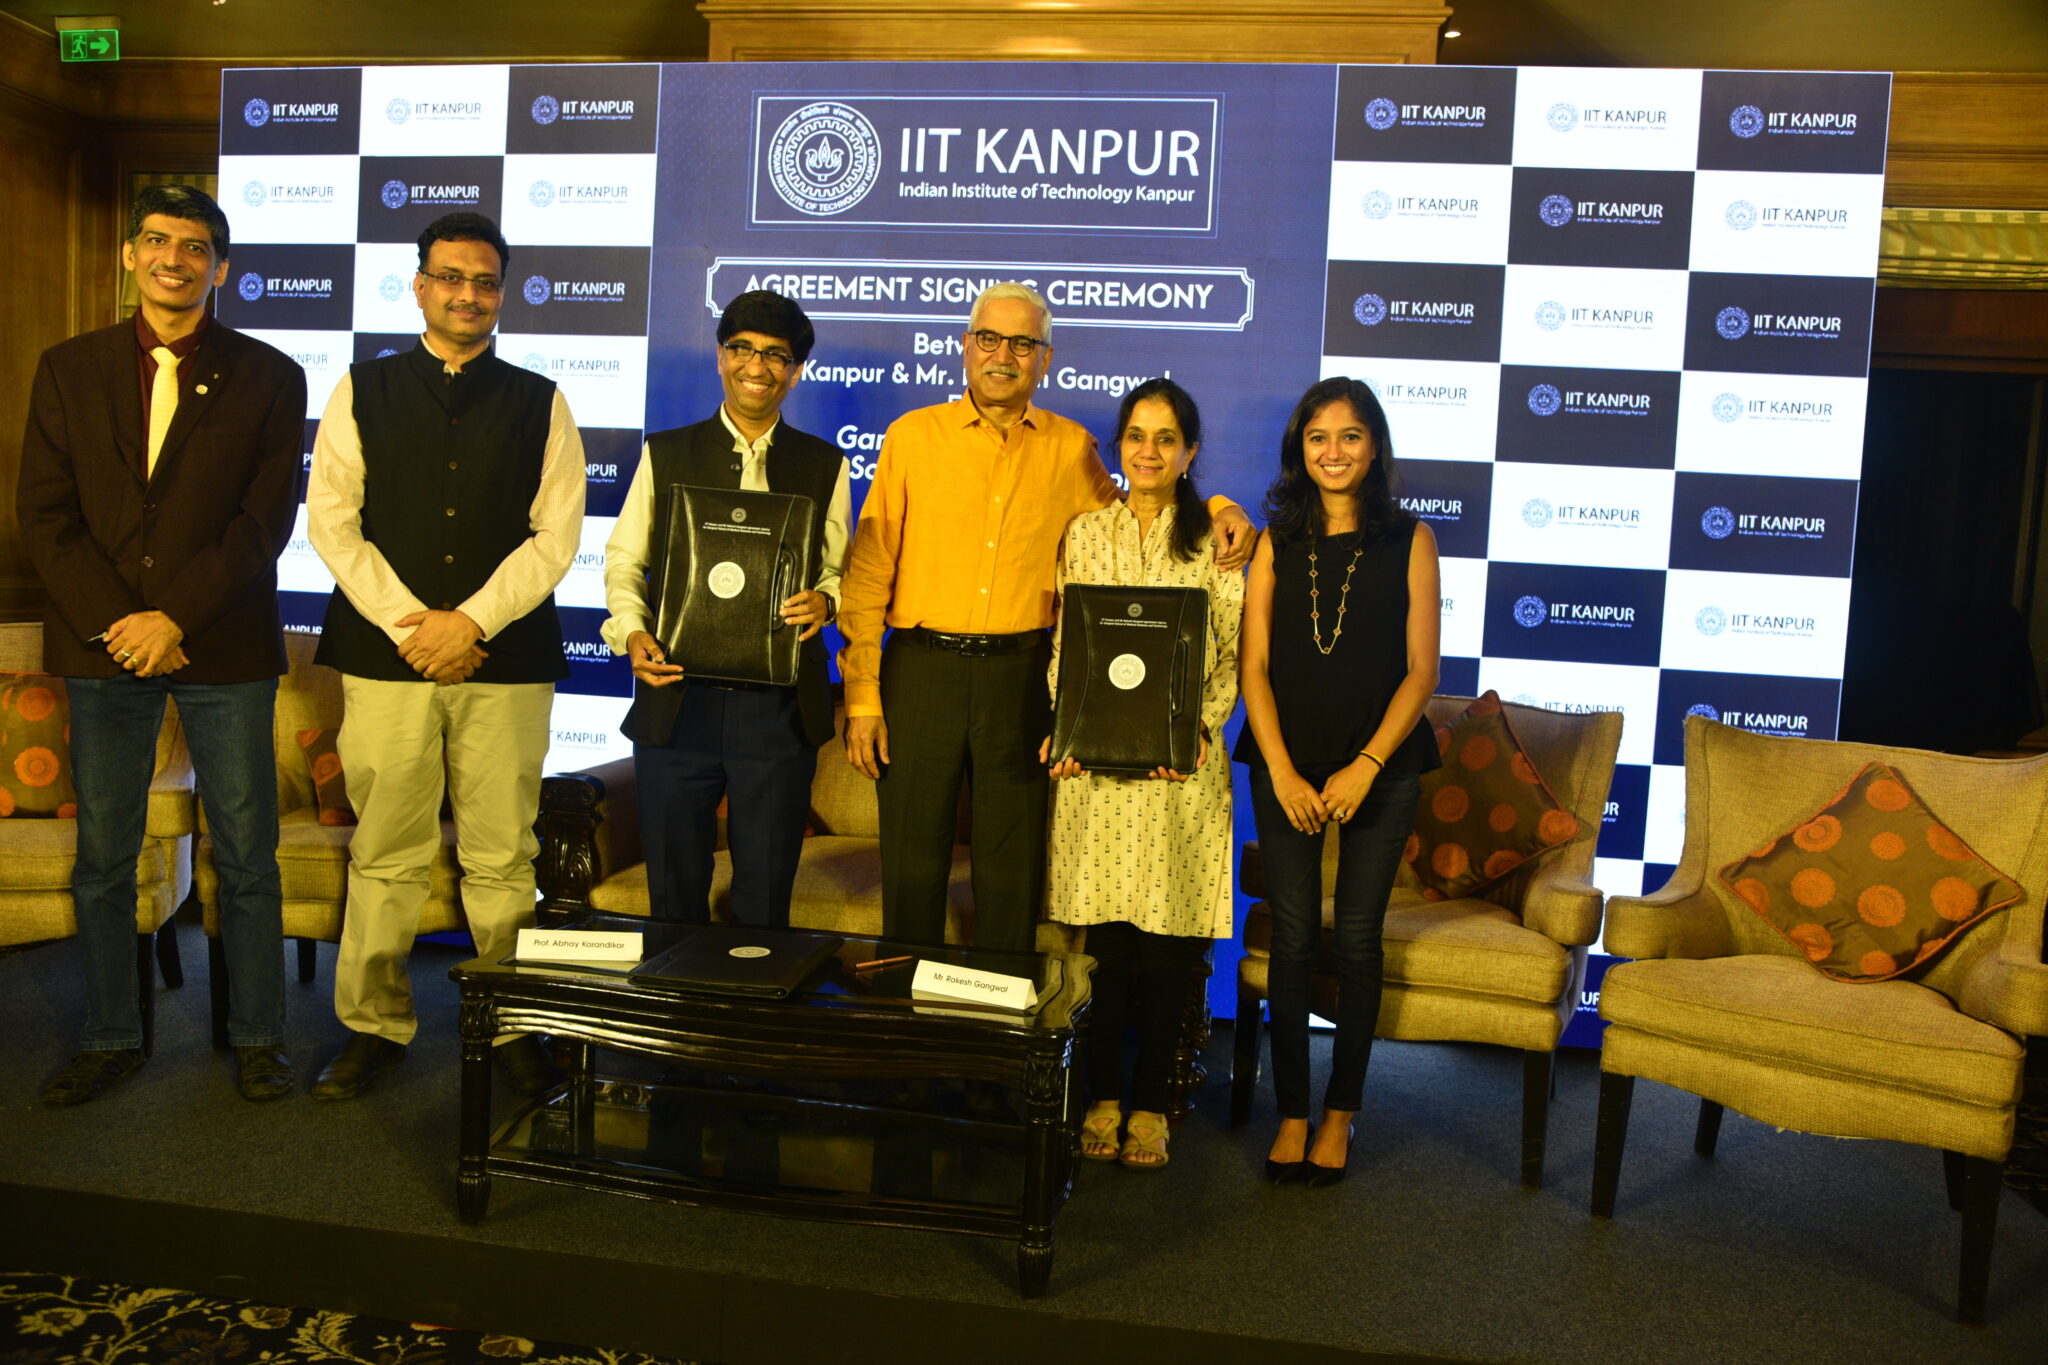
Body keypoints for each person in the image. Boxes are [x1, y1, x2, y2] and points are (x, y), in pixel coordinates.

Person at [837, 282, 1253, 953]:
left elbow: (1142, 503)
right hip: (920, 673)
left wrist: (1223, 506)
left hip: (1022, 679)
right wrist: (862, 694)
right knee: (912, 871)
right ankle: (905, 1017)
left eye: (1022, 343)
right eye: (990, 339)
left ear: (1045, 359)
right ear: (965, 347)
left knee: (1011, 878)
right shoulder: (912, 437)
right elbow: (866, 574)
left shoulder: (1071, 447)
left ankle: (1001, 1018)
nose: (1004, 355)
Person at [18, 185, 307, 1105]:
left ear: (220, 269)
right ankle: (111, 1036)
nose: (172, 258)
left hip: (221, 644)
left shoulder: (270, 374)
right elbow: (45, 516)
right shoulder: (68, 368)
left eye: (193, 246)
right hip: (103, 645)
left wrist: (173, 617)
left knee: (248, 854)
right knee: (104, 856)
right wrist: (125, 623)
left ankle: (258, 1036)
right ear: (130, 254)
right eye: (155, 240)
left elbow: (263, 523)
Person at [305, 211, 585, 1099]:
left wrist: (469, 622)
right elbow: (332, 525)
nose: (469, 294)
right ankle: (372, 1025)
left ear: (502, 293)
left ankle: (514, 1024)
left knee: (504, 855)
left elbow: (557, 538)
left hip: (507, 659)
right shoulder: (362, 388)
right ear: (420, 285)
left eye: (485, 281)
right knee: (385, 850)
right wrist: (413, 627)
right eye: (452, 278)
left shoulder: (543, 400)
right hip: (385, 657)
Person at [1235, 376, 1440, 1187]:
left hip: (1381, 767)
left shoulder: (1412, 538)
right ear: (1300, 449)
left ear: (1374, 445)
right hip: (1284, 763)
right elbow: (1253, 666)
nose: (1334, 451)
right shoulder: (1273, 542)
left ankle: (1340, 1113)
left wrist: (1367, 765)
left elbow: (1423, 671)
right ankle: (1291, 1112)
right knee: (1291, 938)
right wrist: (1282, 770)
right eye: (1318, 437)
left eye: (1350, 435)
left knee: (1355, 939)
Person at [1040, 378, 1243, 1170]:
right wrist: (1070, 729)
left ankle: (1152, 1103)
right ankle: (1101, 1097)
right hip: (1096, 769)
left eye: (1166, 438)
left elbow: (1231, 651)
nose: (1148, 451)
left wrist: (1197, 730)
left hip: (1181, 769)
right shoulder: (1086, 533)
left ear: (1190, 452)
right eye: (1135, 435)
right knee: (1107, 944)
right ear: (1119, 445)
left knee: (1167, 948)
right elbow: (1068, 649)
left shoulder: (1217, 542)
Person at [601, 290, 851, 927]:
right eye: (742, 349)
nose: (756, 366)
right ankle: (676, 991)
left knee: (764, 898)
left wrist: (826, 601)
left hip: (777, 709)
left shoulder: (825, 464)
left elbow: (840, 572)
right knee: (672, 895)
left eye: (775, 355)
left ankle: (754, 992)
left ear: (795, 371)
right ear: (720, 357)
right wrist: (631, 634)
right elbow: (624, 561)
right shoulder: (667, 452)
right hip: (677, 697)